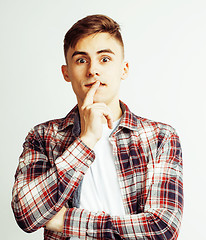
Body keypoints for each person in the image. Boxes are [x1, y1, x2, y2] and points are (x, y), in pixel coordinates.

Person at [11, 14, 183, 240]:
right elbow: (26, 215)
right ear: (66, 72)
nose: (93, 70)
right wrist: (86, 140)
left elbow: (162, 228)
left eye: (105, 59)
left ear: (124, 69)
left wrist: (65, 221)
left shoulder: (159, 137)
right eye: (81, 60)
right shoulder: (43, 136)